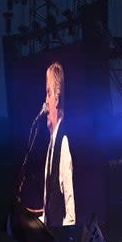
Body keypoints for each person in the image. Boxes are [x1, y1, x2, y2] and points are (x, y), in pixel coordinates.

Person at [42, 62, 76, 226]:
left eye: (48, 93)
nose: (45, 102)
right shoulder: (52, 144)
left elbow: (70, 210)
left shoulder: (63, 142)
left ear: (56, 98)